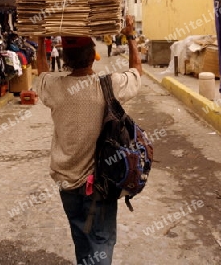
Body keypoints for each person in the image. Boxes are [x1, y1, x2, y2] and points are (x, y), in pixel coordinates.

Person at [36, 15, 142, 265]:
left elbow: (41, 72)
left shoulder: (54, 86)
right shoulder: (109, 86)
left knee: (81, 239)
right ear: (93, 55)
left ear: (65, 60)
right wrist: (131, 36)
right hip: (100, 185)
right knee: (101, 242)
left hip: (67, 183)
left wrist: (41, 41)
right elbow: (137, 72)